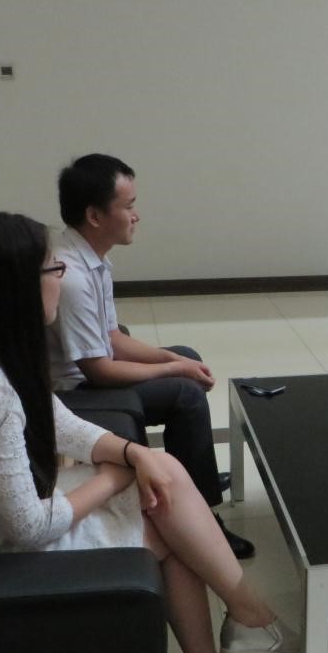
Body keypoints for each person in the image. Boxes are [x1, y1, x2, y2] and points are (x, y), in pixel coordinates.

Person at [0, 212, 300, 653]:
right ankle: (231, 648)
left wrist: (134, 454)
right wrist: (113, 478)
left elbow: (63, 424)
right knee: (167, 523)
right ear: (18, 288)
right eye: (54, 269)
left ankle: (236, 638)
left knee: (163, 479)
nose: (62, 278)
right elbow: (27, 527)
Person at [47, 154, 255, 560]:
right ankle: (201, 516)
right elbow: (100, 370)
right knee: (185, 392)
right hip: (73, 393)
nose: (136, 216)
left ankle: (190, 479)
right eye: (128, 206)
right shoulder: (72, 275)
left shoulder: (91, 255)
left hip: (89, 373)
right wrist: (174, 368)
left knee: (185, 357)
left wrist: (171, 359)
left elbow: (111, 337)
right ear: (94, 215)